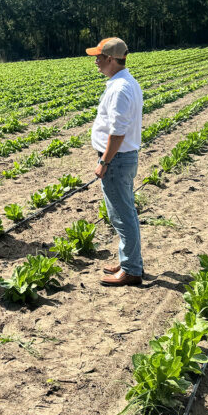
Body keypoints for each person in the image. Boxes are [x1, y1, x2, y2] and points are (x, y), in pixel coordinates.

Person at [86, 38, 144, 287]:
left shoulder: (120, 88)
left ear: (110, 59)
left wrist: (104, 161)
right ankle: (128, 260)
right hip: (120, 159)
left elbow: (118, 132)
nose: (96, 61)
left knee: (122, 214)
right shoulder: (124, 82)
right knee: (124, 211)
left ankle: (131, 270)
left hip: (117, 160)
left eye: (99, 57)